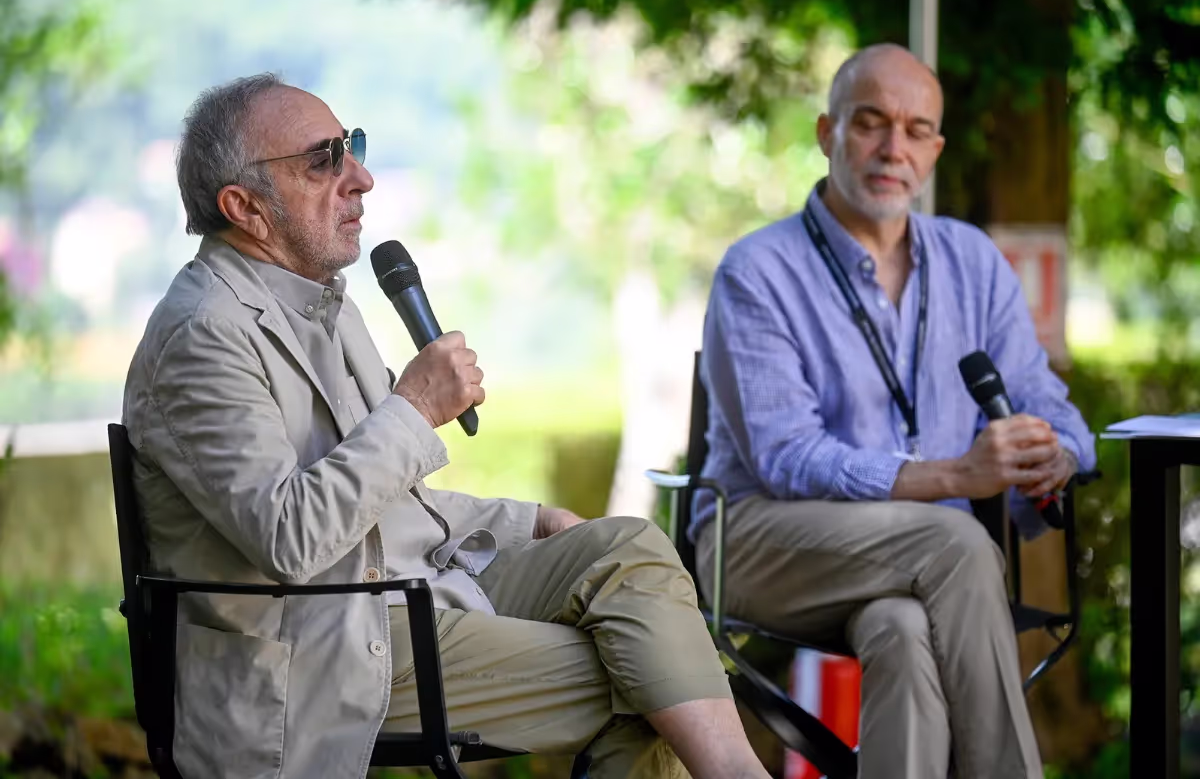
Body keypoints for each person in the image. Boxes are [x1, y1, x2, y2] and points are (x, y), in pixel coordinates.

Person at [123, 73, 771, 779]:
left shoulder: (323, 304)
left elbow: (388, 507)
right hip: (321, 643)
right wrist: (413, 409)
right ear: (244, 207)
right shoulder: (202, 337)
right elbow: (290, 538)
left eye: (352, 147)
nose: (361, 178)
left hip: (404, 591)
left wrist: (527, 522)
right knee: (653, 681)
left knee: (626, 547)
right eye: (325, 160)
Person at [695, 44, 1097, 779]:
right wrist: (955, 477)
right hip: (760, 543)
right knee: (958, 541)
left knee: (902, 630)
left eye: (916, 130)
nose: (893, 148)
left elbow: (1053, 409)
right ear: (827, 133)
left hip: (911, 573)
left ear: (936, 149)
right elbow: (787, 458)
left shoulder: (973, 263)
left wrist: (1056, 453)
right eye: (871, 123)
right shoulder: (757, 271)